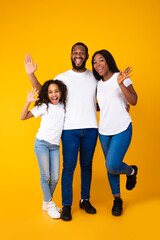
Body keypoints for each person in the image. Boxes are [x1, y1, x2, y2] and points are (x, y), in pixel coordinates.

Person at [24, 42, 98, 221]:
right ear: (71, 55)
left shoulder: (94, 76)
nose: (78, 55)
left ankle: (85, 199)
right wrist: (30, 74)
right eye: (75, 52)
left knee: (87, 166)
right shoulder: (63, 77)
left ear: (87, 56)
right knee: (68, 168)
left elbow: (103, 97)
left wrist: (119, 106)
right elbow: (45, 92)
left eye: (82, 52)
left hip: (90, 128)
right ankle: (66, 205)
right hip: (69, 129)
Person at [92, 50, 138, 216]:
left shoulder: (121, 76)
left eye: (101, 60)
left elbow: (133, 100)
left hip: (122, 128)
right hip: (104, 130)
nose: (98, 65)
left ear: (108, 61)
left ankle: (131, 171)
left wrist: (120, 84)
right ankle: (117, 199)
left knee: (112, 164)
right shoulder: (98, 84)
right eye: (95, 62)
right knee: (110, 168)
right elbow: (102, 105)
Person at [21, 80, 67, 219]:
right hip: (41, 144)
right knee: (45, 176)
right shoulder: (44, 106)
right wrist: (28, 102)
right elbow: (23, 117)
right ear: (47, 94)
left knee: (55, 178)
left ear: (61, 92)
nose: (54, 94)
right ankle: (50, 204)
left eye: (56, 91)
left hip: (55, 146)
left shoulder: (64, 106)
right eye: (50, 92)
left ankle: (46, 202)